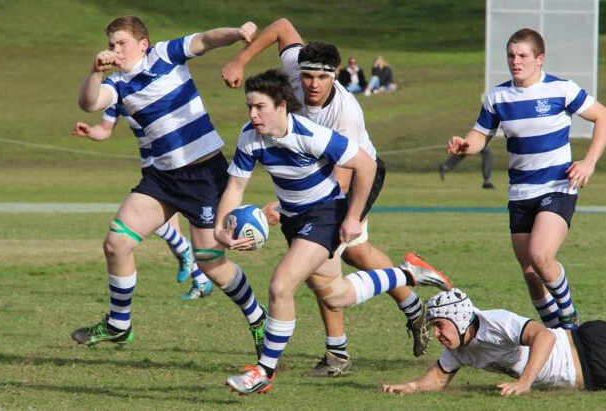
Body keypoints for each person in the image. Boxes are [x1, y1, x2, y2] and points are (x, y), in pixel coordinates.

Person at [215, 69, 452, 394]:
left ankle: (263, 372)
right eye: (249, 108)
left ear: (282, 105)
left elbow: (366, 164)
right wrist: (220, 227)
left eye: (260, 107)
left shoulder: (310, 134)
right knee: (335, 294)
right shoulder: (249, 137)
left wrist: (353, 216)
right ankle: (408, 273)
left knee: (281, 284)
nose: (253, 114)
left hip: (326, 214)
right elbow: (235, 187)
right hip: (295, 220)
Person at [70, 16, 268, 355]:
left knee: (212, 266)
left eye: (122, 44)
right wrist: (94, 71)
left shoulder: (164, 55)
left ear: (142, 45)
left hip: (205, 176)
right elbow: (89, 103)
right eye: (112, 44)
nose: (115, 50)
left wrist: (235, 34)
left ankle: (258, 317)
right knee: (116, 243)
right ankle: (119, 325)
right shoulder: (117, 84)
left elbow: (206, 38)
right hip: (162, 179)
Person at [447, 28, 606, 329]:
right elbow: (481, 134)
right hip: (520, 192)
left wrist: (589, 162)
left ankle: (570, 321)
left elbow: (602, 116)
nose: (515, 61)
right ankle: (555, 334)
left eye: (522, 55)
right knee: (531, 271)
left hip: (558, 186)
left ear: (539, 59)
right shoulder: (498, 97)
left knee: (541, 255)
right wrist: (466, 146)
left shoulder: (562, 90)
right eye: (511, 55)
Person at [73, 107, 214, 300]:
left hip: (177, 165)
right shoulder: (116, 92)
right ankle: (201, 279)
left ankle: (185, 249)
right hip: (151, 166)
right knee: (164, 228)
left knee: (148, 224)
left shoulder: (159, 81)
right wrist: (91, 131)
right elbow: (104, 129)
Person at [381, 288, 606, 395]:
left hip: (590, 349)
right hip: (589, 375)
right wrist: (412, 386)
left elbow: (544, 336)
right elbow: (438, 379)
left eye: (440, 324)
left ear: (459, 318)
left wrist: (524, 382)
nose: (437, 333)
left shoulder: (496, 321)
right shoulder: (457, 349)